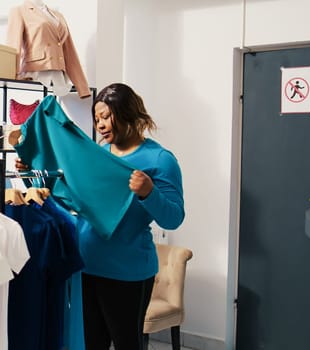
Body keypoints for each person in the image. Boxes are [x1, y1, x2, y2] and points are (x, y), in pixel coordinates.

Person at [15, 83, 185, 350]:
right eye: (96, 119)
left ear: (128, 113)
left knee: (127, 345)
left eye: (106, 116)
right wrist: (30, 175)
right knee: (90, 345)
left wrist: (149, 192)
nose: (100, 125)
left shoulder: (160, 159)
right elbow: (69, 200)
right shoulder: (98, 156)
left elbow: (173, 218)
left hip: (127, 272)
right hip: (86, 265)